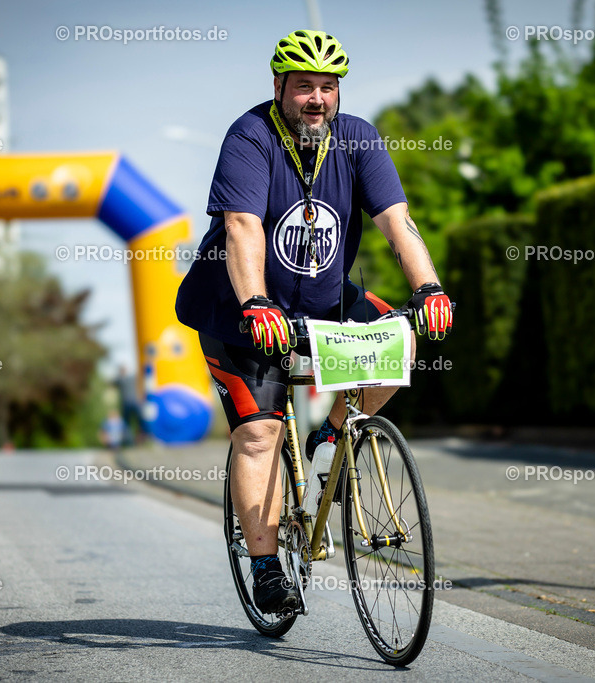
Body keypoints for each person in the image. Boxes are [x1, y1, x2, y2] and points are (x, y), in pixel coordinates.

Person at [175, 30, 453, 615]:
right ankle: (266, 566)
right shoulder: (250, 137)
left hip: (323, 301)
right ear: (278, 87)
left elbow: (399, 223)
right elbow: (243, 229)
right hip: (237, 308)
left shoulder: (359, 139)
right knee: (260, 433)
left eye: (328, 87)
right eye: (304, 86)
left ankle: (330, 436)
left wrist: (428, 288)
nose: (317, 99)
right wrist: (255, 304)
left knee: (396, 341)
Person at [113, 365, 145, 446]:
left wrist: (119, 375)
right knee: (140, 421)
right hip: (136, 403)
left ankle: (129, 442)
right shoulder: (133, 378)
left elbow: (113, 383)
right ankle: (141, 437)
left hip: (126, 404)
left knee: (126, 424)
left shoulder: (120, 379)